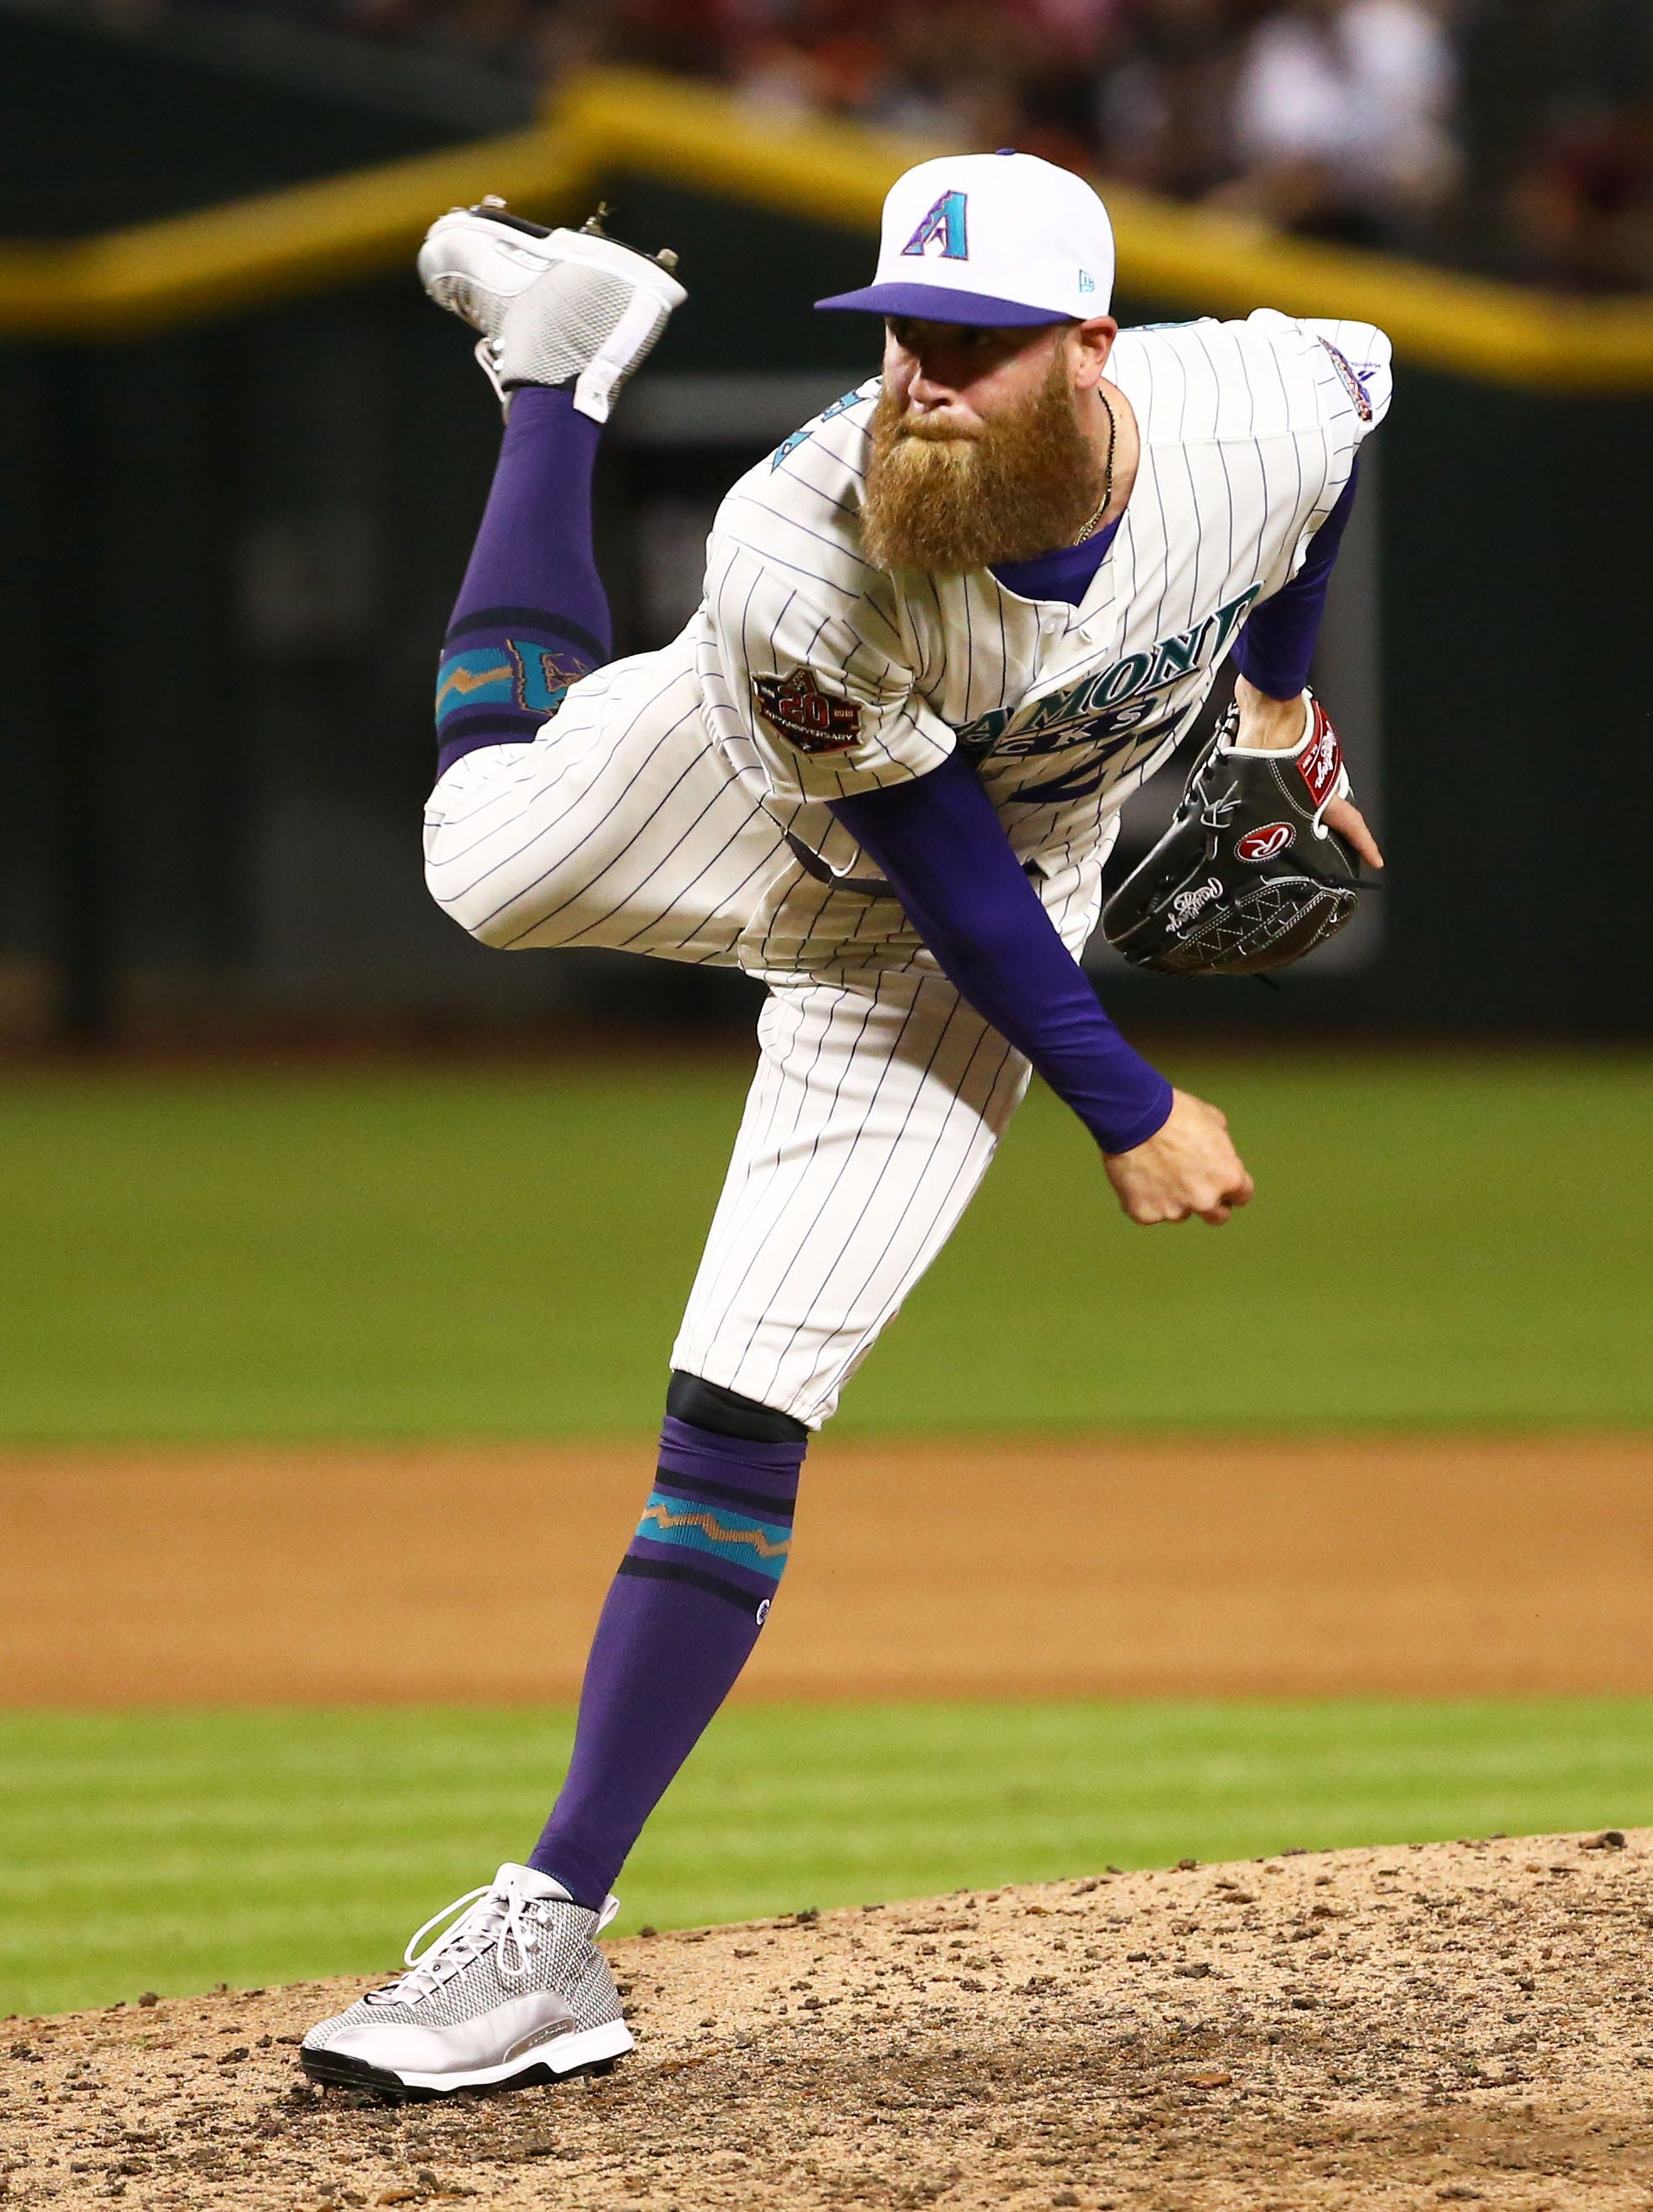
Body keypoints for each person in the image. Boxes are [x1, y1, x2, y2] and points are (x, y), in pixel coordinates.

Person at [299, 153, 1388, 2100]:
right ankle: (562, 376)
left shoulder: (1255, 407)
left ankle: (545, 1929)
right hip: (756, 798)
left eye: (972, 347)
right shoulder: (796, 547)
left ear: (1088, 349)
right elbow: (938, 862)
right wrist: (1124, 1102)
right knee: (477, 858)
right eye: (901, 336)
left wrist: (1276, 704)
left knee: (749, 1393)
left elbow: (1348, 405)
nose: (920, 381)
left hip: (956, 938)